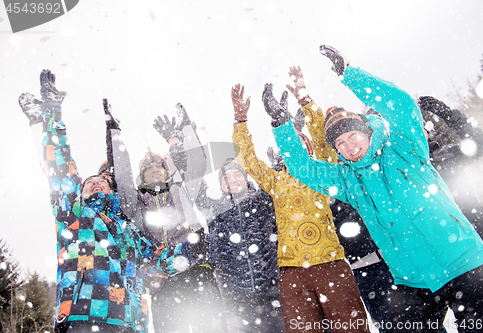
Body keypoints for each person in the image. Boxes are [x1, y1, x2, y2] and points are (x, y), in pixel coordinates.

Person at [266, 46, 483, 332]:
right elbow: (303, 168)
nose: (350, 146)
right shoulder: (346, 179)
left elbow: (401, 105)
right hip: (413, 282)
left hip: (466, 264)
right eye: (340, 143)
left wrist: (349, 74)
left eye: (353, 135)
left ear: (366, 131)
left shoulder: (405, 149)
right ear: (337, 150)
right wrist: (281, 126)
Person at [18, 70, 205, 333]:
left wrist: (189, 251)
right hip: (81, 317)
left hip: (125, 322)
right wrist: (51, 115)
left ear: (112, 190)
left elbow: (157, 261)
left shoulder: (128, 230)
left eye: (103, 181)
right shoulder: (73, 212)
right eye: (89, 181)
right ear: (78, 191)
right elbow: (58, 166)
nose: (96, 182)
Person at [232, 83, 369, 333]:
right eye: (290, 145)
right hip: (291, 272)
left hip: (331, 264)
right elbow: (247, 160)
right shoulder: (275, 181)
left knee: (351, 329)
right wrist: (240, 121)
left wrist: (306, 102)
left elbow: (323, 138)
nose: (294, 149)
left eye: (300, 144)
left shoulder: (320, 173)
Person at [286, 65, 392, 332]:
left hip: (399, 254)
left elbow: (327, 140)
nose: (348, 145)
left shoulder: (343, 163)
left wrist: (306, 102)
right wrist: (289, 129)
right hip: (364, 264)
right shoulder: (319, 179)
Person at [103, 102, 223, 333]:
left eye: (159, 166)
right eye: (148, 168)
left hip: (197, 268)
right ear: (142, 176)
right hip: (162, 277)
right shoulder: (135, 203)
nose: (155, 169)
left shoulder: (182, 190)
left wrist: (186, 129)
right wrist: (114, 132)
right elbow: (123, 175)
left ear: (167, 171)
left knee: (211, 327)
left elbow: (197, 163)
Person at [195, 158, 286, 333]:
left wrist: (278, 161)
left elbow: (277, 178)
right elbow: (195, 181)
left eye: (237, 175)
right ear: (221, 184)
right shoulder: (215, 208)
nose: (232, 180)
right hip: (235, 300)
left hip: (272, 295)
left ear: (246, 178)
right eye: (226, 177)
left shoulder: (263, 200)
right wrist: (180, 144)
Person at [418, 96, 483, 278]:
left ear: (427, 130)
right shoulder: (404, 171)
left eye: (421, 126)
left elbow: (480, 143)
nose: (418, 132)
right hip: (453, 253)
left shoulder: (447, 154)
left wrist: (447, 114)